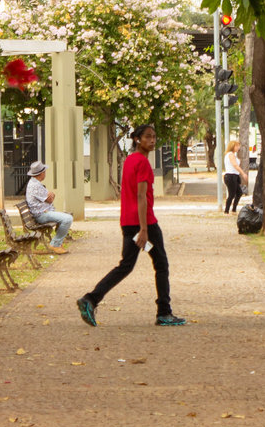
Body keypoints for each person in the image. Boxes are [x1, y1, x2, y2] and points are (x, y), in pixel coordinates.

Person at [77, 123, 185, 328]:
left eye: (154, 137)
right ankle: (164, 312)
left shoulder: (130, 160)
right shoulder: (142, 163)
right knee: (160, 264)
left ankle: (91, 299)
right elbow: (141, 196)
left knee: (128, 265)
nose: (152, 140)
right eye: (147, 137)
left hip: (129, 223)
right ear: (137, 139)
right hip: (144, 224)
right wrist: (144, 230)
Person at [24, 159, 72, 252]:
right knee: (67, 219)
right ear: (41, 173)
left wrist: (51, 195)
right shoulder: (35, 185)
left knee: (65, 218)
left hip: (45, 212)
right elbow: (50, 199)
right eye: (44, 171)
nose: (45, 173)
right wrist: (51, 195)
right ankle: (55, 244)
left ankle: (57, 243)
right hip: (42, 215)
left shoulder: (36, 183)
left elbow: (50, 197)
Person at [223, 137, 244, 214]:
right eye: (237, 146)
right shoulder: (230, 154)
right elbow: (235, 165)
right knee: (232, 194)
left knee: (239, 193)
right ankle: (226, 210)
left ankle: (234, 209)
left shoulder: (233, 155)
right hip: (230, 176)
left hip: (234, 176)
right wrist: (243, 173)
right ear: (233, 146)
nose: (238, 148)